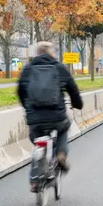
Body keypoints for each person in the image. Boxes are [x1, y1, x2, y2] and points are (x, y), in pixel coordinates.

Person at [17, 41, 83, 191]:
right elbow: (73, 89)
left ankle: (34, 180)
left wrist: (27, 107)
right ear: (51, 53)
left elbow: (20, 91)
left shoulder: (28, 69)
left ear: (37, 53)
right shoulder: (59, 68)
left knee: (35, 138)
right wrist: (78, 104)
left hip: (34, 118)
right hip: (56, 117)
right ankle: (60, 154)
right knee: (63, 129)